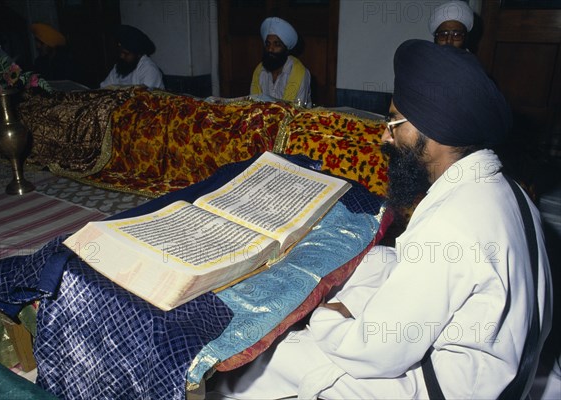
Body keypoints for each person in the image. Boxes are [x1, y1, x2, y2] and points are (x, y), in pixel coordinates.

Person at [207, 40, 553, 399]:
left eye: (394, 122)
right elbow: (425, 265)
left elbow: (376, 354)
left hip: (446, 387)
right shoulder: (503, 187)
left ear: (433, 130)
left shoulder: (452, 222)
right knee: (371, 261)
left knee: (277, 359)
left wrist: (325, 316)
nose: (384, 135)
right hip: (500, 365)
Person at [250, 17, 311, 107]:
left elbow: (297, 111)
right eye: (268, 44)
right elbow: (253, 105)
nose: (270, 49)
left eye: (277, 44)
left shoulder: (300, 73)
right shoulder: (259, 71)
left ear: (286, 49)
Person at [100, 24, 164, 89]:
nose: (121, 56)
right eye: (120, 52)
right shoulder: (119, 67)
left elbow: (144, 96)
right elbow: (104, 88)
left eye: (126, 53)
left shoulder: (150, 70)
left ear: (139, 54)